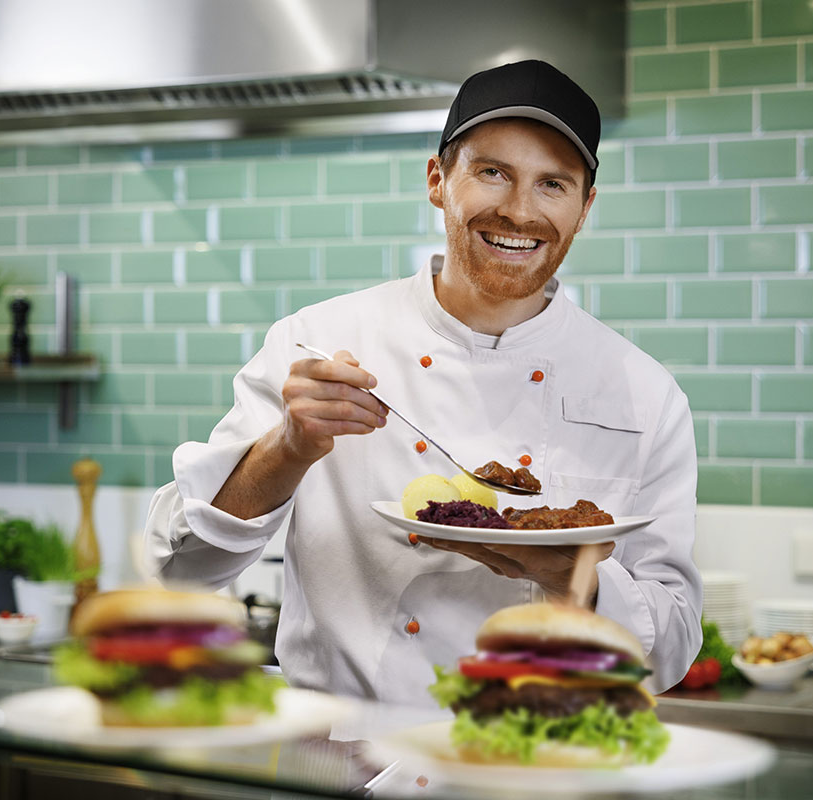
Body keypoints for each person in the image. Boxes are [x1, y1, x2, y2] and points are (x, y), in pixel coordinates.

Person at [145, 59, 702, 706]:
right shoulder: (319, 342)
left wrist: (573, 579)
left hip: (528, 755)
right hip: (341, 752)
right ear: (438, 180)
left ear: (584, 209)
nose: (520, 212)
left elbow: (671, 649)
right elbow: (180, 571)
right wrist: (288, 448)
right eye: (492, 173)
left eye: (553, 184)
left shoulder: (644, 395)